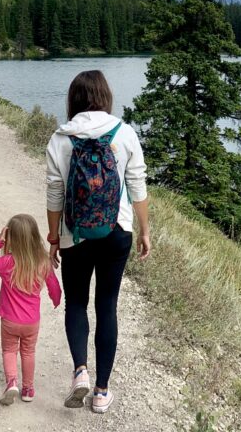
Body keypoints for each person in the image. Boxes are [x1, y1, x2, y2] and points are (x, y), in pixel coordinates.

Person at [46, 69, 150, 414]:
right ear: (105, 97)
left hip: (74, 233)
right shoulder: (125, 133)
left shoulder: (60, 138)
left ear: (73, 100)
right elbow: (137, 187)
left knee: (76, 302)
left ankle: (79, 372)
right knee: (107, 305)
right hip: (116, 232)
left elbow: (55, 193)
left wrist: (53, 238)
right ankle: (102, 392)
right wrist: (145, 232)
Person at [0, 214, 62, 405]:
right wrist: (55, 300)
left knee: (9, 350)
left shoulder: (8, 262)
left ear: (11, 238)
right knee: (28, 352)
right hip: (31, 321)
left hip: (9, 319)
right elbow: (55, 287)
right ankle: (28, 389)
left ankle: (11, 383)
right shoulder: (43, 262)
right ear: (35, 236)